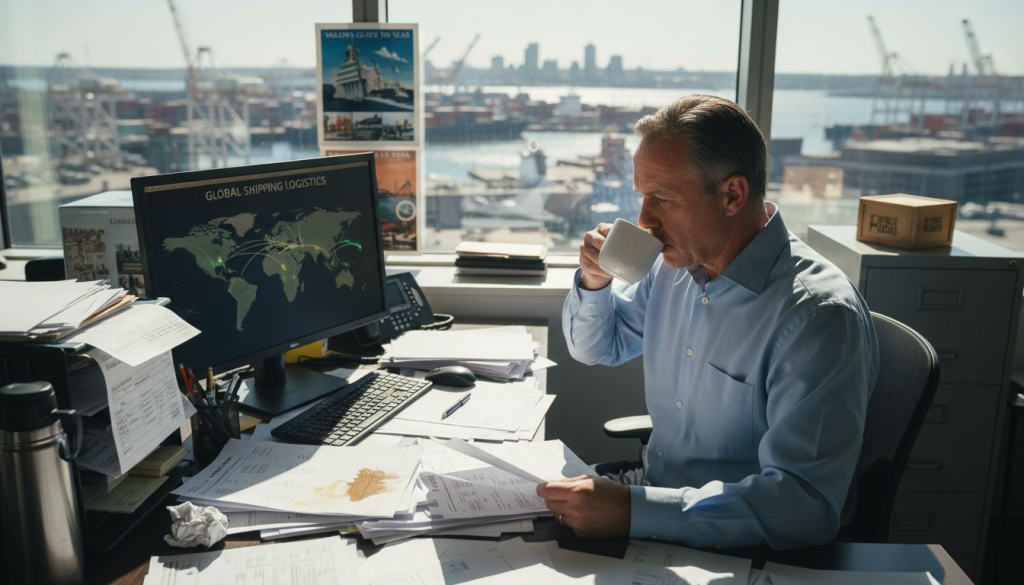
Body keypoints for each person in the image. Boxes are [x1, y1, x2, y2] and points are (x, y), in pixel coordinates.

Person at [537, 95, 879, 549]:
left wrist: (633, 511)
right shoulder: (674, 268)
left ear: (732, 194)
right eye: (641, 196)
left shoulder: (816, 317)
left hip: (737, 545)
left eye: (661, 198)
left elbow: (804, 505)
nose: (643, 220)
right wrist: (595, 282)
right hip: (655, 499)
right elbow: (597, 346)